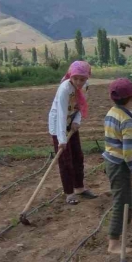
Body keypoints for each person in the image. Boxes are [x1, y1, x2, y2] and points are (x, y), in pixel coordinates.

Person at [48, 61, 97, 204]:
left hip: (72, 122)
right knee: (65, 160)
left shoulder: (85, 87)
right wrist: (61, 140)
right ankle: (69, 193)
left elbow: (81, 106)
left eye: (82, 79)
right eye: (76, 78)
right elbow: (61, 114)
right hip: (59, 125)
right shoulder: (64, 89)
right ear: (71, 76)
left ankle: (79, 188)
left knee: (78, 156)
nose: (79, 82)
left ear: (87, 78)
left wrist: (77, 121)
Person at [102, 78, 132, 254]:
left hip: (110, 160)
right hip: (120, 165)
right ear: (131, 97)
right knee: (121, 202)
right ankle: (114, 243)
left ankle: (125, 226)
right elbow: (128, 152)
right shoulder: (127, 120)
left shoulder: (111, 113)